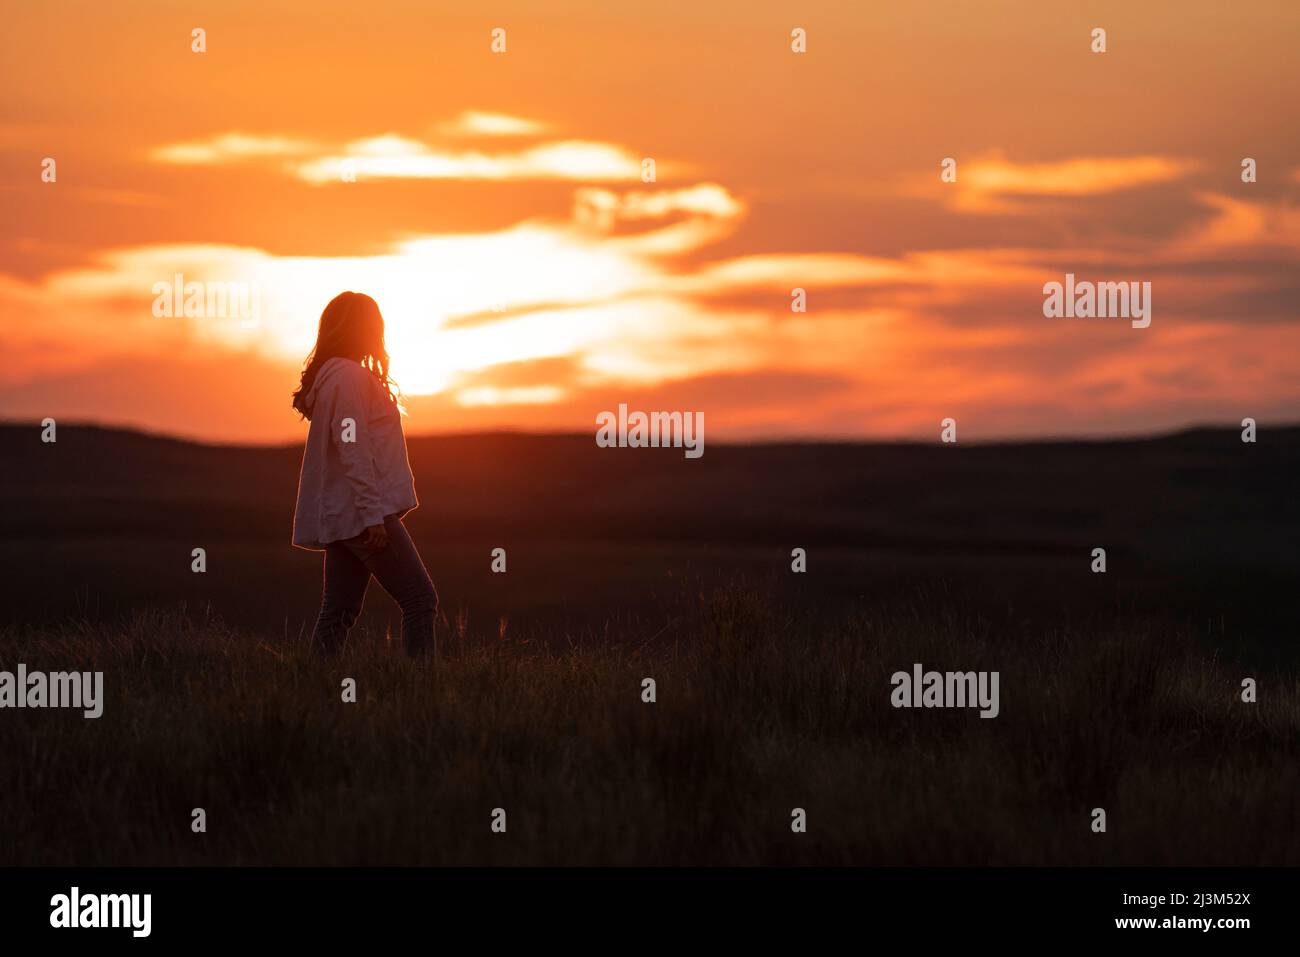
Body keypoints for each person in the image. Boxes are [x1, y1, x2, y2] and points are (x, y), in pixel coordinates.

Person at [290, 291, 437, 657]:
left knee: (338, 611)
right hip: (361, 515)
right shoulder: (350, 378)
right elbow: (353, 449)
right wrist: (373, 516)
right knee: (420, 599)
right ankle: (423, 691)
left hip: (344, 515)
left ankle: (314, 686)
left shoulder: (337, 377)